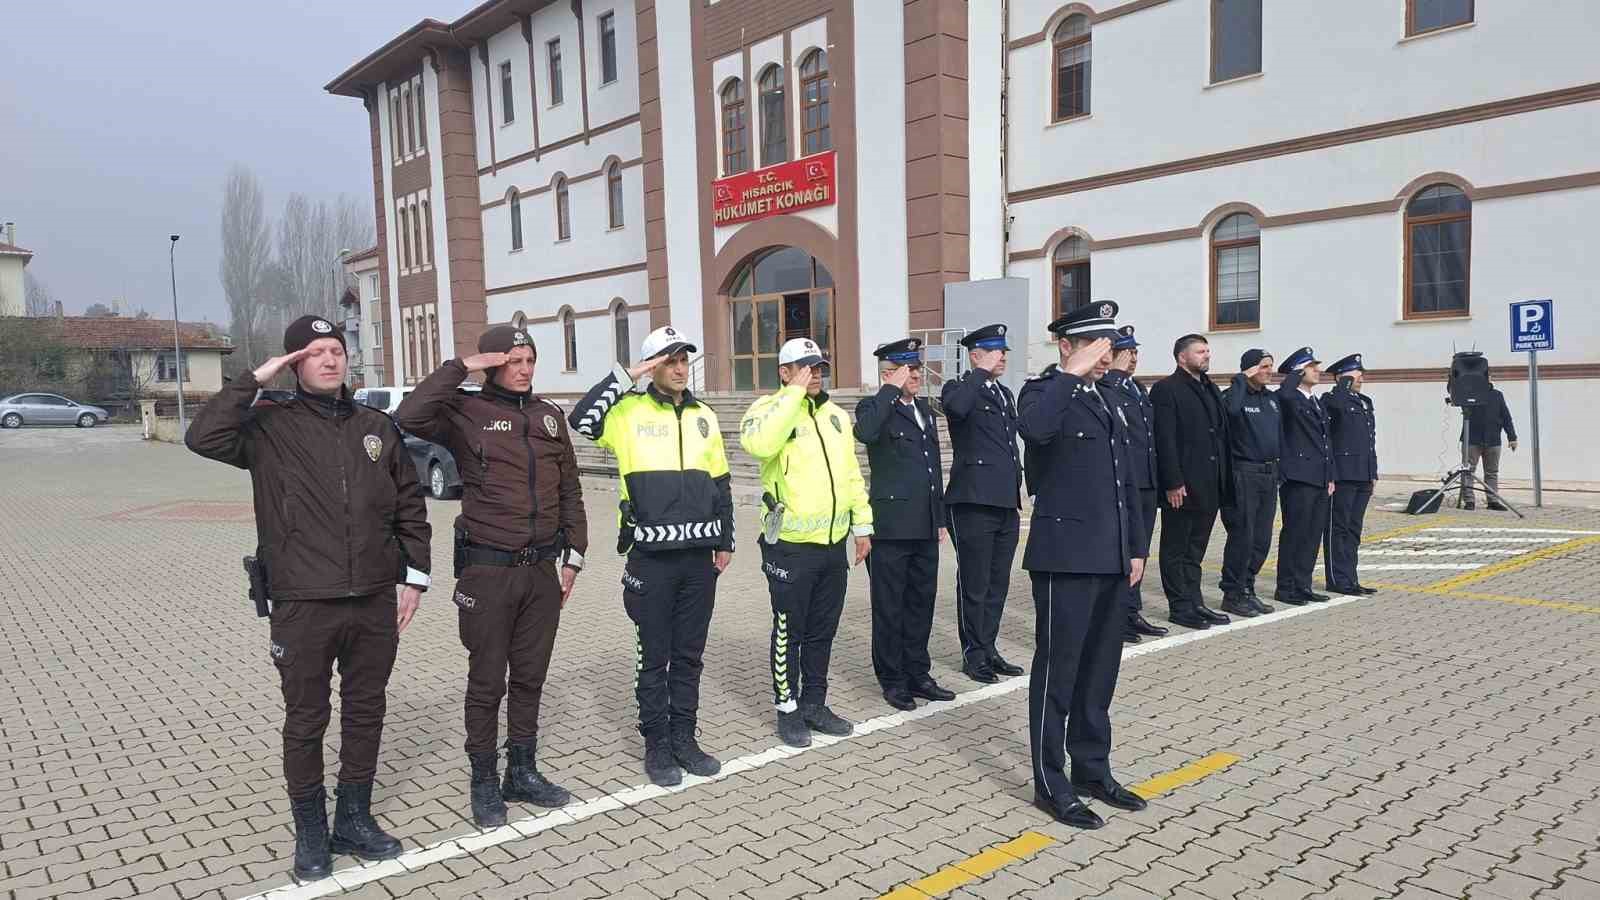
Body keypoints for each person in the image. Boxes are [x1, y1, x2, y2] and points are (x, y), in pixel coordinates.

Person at [186, 315, 430, 882]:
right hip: (302, 600)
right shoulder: (267, 426)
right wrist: (256, 376)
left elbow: (409, 503)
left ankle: (354, 819)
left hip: (373, 598)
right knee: (306, 720)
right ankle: (312, 833)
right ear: (295, 363)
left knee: (367, 711)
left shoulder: (376, 425)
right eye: (315, 352)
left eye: (337, 351)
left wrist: (414, 575)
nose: (330, 360)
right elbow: (202, 436)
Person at [394, 325, 588, 829]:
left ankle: (521, 771)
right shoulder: (464, 411)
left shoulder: (549, 417)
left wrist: (575, 555)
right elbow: (408, 415)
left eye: (530, 360)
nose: (524, 368)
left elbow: (571, 490)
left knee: (529, 678)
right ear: (494, 362)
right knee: (486, 683)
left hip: (541, 572)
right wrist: (464, 366)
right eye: (514, 359)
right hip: (487, 572)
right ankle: (484, 778)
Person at [567, 326, 733, 786]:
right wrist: (627, 375)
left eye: (683, 360)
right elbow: (581, 419)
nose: (679, 368)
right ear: (652, 366)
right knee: (653, 657)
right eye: (668, 360)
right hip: (651, 559)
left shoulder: (705, 416)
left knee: (689, 655)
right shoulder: (626, 412)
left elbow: (720, 483)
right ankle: (656, 743)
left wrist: (726, 540)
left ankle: (684, 737)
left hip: (699, 558)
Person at [1017, 301, 1150, 830]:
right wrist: (1071, 374)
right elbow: (1035, 430)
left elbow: (1127, 482)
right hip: (1066, 558)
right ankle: (1051, 783)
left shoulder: (1112, 398)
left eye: (1110, 347)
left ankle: (1092, 768)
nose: (1106, 356)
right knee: (1059, 673)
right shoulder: (1044, 391)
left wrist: (1136, 546)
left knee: (1100, 672)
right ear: (1066, 347)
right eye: (1095, 347)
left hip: (1113, 556)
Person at [740, 338, 873, 748]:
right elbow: (759, 446)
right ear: (783, 372)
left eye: (818, 367)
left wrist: (862, 525)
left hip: (832, 543)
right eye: (804, 367)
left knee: (822, 630)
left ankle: (815, 703)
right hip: (790, 546)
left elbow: (851, 474)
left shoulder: (835, 416)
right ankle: (787, 708)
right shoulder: (767, 411)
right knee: (788, 631)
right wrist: (792, 395)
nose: (814, 373)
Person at [855, 338, 955, 711]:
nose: (917, 375)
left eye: (917, 368)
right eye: (908, 369)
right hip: (892, 528)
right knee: (890, 607)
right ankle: (893, 679)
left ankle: (919, 673)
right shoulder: (874, 406)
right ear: (889, 373)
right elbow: (866, 433)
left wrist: (939, 517)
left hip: (925, 526)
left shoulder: (925, 410)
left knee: (920, 604)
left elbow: (932, 470)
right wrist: (888, 391)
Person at [941, 324, 1026, 683]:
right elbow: (957, 409)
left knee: (997, 583)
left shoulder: (1004, 393)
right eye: (995, 351)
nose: (1003, 356)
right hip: (972, 501)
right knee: (974, 583)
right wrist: (978, 372)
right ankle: (972, 653)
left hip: (1005, 501)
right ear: (975, 355)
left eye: (1004, 351)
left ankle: (989, 647)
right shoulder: (959, 388)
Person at [1150, 334, 1231, 630]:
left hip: (1209, 484)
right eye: (1200, 351)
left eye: (1208, 350)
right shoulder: (1166, 390)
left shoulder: (1210, 388)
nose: (1207, 355)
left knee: (1195, 550)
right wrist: (1172, 481)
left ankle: (1195, 602)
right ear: (1182, 357)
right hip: (1182, 486)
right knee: (1176, 548)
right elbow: (1165, 438)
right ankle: (1180, 607)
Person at [1100, 325, 1167, 643]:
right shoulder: (1108, 386)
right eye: (1126, 353)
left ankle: (1131, 609)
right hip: (1125, 480)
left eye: (1135, 353)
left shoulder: (1137, 388)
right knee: (1124, 550)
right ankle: (1118, 614)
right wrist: (1112, 371)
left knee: (1140, 549)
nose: (1133, 359)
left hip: (1146, 480)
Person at [1218, 349, 1281, 617]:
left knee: (1261, 539)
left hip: (1269, 475)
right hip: (1244, 473)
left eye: (1271, 366)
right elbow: (1229, 412)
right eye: (1264, 367)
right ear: (1251, 369)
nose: (1270, 371)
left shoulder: (1271, 399)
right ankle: (1232, 594)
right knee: (1243, 535)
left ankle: (1248, 587)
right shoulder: (1235, 396)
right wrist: (1241, 380)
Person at [1273, 347, 1335, 606]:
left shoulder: (1314, 400)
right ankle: (1286, 587)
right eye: (1312, 367)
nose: (1318, 370)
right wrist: (1293, 377)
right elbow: (1284, 394)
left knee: (1312, 534)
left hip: (1319, 477)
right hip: (1298, 478)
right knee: (1295, 533)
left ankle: (1303, 584)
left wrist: (1330, 476)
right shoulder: (1288, 398)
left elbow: (1325, 441)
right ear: (1298, 372)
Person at [1322, 354, 1379, 596]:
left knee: (1354, 529)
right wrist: (1342, 385)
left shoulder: (1364, 401)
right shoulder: (1332, 399)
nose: (1362, 377)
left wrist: (1373, 471)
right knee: (1339, 528)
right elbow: (1336, 410)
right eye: (1356, 373)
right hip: (1343, 475)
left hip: (1363, 474)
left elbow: (1370, 440)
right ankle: (1337, 579)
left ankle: (1351, 578)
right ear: (1343, 376)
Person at [1460, 377, 1518, 510]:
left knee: (1492, 472)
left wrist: (1512, 437)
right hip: (1471, 439)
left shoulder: (1497, 395)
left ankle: (1492, 501)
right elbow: (1453, 393)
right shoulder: (1468, 393)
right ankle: (1469, 501)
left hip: (1493, 440)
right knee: (1468, 471)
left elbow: (1506, 417)